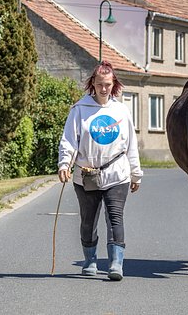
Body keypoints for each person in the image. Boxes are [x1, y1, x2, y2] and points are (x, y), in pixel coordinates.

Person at [58, 60, 143, 281]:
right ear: (92, 84)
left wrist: (136, 174)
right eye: (99, 84)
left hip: (117, 173)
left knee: (115, 217)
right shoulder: (80, 110)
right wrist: (64, 164)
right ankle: (90, 260)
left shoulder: (121, 111)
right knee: (88, 221)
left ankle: (116, 263)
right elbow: (69, 140)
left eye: (107, 84)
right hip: (86, 174)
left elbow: (130, 144)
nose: (103, 89)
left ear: (113, 84)